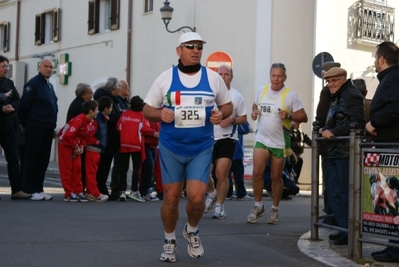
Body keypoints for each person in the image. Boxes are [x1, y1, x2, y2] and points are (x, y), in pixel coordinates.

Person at [143, 32, 232, 263]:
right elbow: (147, 109)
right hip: (172, 148)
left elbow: (228, 105)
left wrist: (221, 113)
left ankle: (191, 231)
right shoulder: (165, 78)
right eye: (190, 46)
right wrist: (160, 113)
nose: (195, 50)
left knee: (196, 198)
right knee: (171, 198)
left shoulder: (213, 79)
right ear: (179, 50)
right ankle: (169, 240)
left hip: (200, 148)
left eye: (199, 46)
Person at [247, 63, 308, 225]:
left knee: (275, 177)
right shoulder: (262, 91)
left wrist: (288, 115)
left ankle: (275, 208)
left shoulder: (290, 96)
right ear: (270, 76)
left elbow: (303, 116)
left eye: (279, 76)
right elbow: (255, 105)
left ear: (284, 78)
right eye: (273, 75)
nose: (276, 79)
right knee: (257, 172)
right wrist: (254, 112)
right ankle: (258, 206)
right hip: (262, 139)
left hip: (280, 141)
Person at [320, 66, 365, 246]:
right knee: (333, 192)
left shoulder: (351, 94)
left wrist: (334, 131)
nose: (330, 85)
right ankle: (344, 228)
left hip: (345, 151)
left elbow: (358, 122)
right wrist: (325, 128)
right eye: (329, 82)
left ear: (343, 79)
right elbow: (338, 119)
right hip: (336, 151)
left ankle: (349, 231)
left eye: (334, 81)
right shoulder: (337, 95)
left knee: (345, 193)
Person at [365, 41, 399, 263]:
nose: (374, 61)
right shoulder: (391, 78)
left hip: (392, 147)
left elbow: (395, 106)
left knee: (393, 201)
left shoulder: (393, 78)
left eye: (375, 57)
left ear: (381, 59)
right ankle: (393, 246)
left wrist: (373, 124)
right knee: (389, 202)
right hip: (389, 145)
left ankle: (395, 249)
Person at [204, 64, 247, 219]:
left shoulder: (236, 97)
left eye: (226, 74)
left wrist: (232, 120)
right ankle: (212, 193)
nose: (223, 77)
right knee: (202, 173)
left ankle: (220, 207)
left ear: (231, 77)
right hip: (208, 138)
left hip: (227, 138)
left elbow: (243, 118)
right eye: (220, 74)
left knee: (221, 174)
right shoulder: (209, 94)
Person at [18, 59, 58, 201]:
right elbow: (24, 106)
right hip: (35, 126)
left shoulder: (49, 86)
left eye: (51, 67)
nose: (49, 69)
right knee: (32, 159)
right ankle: (29, 189)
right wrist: (23, 125)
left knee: (43, 159)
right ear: (39, 67)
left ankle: (38, 188)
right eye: (46, 66)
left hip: (47, 127)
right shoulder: (33, 84)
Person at [0, 55, 31, 200]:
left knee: (13, 158)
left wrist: (11, 106)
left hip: (8, 126)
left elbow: (18, 99)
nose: (7, 69)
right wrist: (1, 108)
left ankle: (16, 190)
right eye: (4, 66)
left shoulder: (9, 83)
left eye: (7, 66)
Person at [57, 100, 99, 202]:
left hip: (74, 145)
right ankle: (68, 193)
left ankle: (78, 191)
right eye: (96, 109)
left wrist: (81, 147)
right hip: (65, 145)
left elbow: (84, 136)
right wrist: (76, 146)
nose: (98, 111)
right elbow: (67, 136)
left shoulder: (89, 122)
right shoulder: (79, 121)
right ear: (91, 111)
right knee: (67, 169)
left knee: (77, 168)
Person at [315, 61, 341, 226]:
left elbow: (322, 114)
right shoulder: (341, 90)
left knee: (331, 182)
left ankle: (332, 215)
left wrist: (318, 126)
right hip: (334, 141)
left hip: (330, 141)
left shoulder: (327, 91)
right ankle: (335, 216)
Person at [115, 95, 152, 202]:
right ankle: (134, 191)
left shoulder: (124, 114)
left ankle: (122, 192)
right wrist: (154, 133)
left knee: (123, 169)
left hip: (124, 144)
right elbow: (145, 129)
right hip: (136, 145)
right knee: (136, 169)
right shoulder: (142, 116)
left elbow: (118, 127)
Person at [93, 77, 123, 197]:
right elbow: (110, 117)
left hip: (110, 138)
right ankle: (99, 187)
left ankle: (101, 187)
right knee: (103, 165)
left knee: (105, 164)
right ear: (113, 88)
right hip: (107, 137)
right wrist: (120, 115)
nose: (120, 90)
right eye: (119, 87)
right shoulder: (106, 100)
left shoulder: (113, 99)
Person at [65, 83, 94, 193]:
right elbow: (79, 127)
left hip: (77, 141)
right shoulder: (80, 106)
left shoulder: (78, 103)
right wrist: (78, 144)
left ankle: (78, 189)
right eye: (91, 93)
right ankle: (76, 190)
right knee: (77, 168)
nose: (92, 95)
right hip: (75, 141)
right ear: (85, 94)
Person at [85, 96, 113, 202]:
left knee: (94, 171)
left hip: (97, 150)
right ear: (105, 108)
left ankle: (89, 192)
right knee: (91, 172)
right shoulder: (97, 120)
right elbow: (90, 135)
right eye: (110, 107)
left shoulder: (103, 119)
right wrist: (97, 142)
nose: (112, 110)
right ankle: (94, 193)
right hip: (93, 149)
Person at [227, 121, 253, 200]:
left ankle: (228, 193)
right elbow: (245, 129)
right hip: (236, 150)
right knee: (238, 173)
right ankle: (241, 193)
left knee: (227, 173)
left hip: (226, 150)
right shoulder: (238, 117)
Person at [139, 119, 160, 201]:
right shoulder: (145, 116)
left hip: (154, 145)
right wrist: (153, 133)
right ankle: (145, 191)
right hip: (146, 144)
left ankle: (145, 190)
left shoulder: (157, 119)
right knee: (148, 168)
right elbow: (143, 128)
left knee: (150, 169)